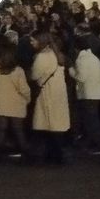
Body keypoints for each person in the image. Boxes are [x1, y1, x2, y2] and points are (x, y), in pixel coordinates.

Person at [29, 32, 71, 164]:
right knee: (56, 124)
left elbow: (34, 75)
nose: (31, 43)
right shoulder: (56, 54)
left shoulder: (42, 56)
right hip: (58, 91)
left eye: (33, 41)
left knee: (48, 123)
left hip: (48, 92)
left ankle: (51, 154)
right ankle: (56, 154)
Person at [70, 35, 100, 153]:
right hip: (98, 93)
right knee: (91, 119)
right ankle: (90, 142)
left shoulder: (81, 60)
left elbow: (81, 77)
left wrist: (71, 71)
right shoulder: (94, 58)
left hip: (88, 94)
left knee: (92, 121)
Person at [0, 46, 30, 159]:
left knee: (1, 129)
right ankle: (24, 151)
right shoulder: (18, 71)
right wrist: (27, 99)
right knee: (18, 129)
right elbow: (24, 89)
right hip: (16, 102)